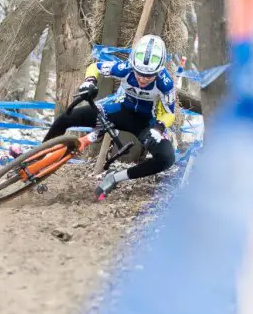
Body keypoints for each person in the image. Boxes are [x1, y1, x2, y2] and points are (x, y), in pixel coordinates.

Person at [17, 34, 177, 198]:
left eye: (149, 76)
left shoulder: (165, 83)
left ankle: (115, 178)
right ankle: (36, 159)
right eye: (139, 73)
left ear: (159, 71)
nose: (143, 78)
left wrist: (158, 128)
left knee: (167, 158)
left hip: (145, 123)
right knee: (66, 118)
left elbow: (169, 114)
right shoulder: (126, 68)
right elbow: (95, 67)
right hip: (118, 111)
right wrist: (89, 81)